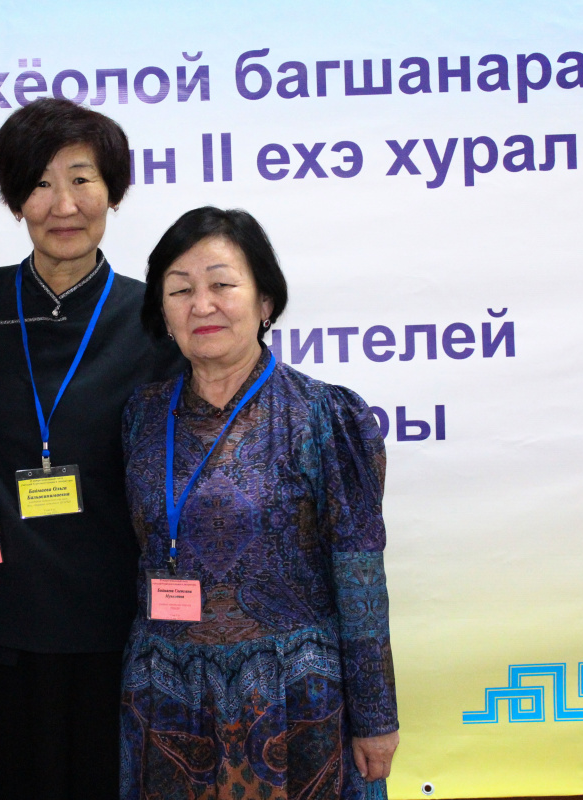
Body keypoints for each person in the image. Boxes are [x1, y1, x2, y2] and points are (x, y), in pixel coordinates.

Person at [0, 98, 184, 799]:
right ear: (16, 201)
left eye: (82, 179)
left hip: (117, 619)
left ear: (113, 192)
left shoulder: (153, 316)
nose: (63, 205)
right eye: (40, 183)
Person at [120, 207, 399, 800]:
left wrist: (376, 718)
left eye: (222, 284)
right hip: (168, 696)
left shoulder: (325, 416)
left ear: (265, 301)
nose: (202, 305)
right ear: (163, 312)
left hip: (293, 699)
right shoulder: (141, 416)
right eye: (180, 290)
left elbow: (360, 579)